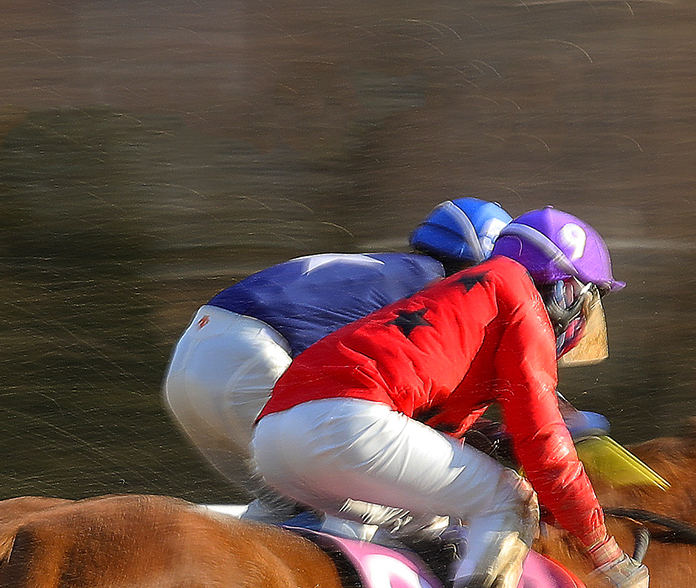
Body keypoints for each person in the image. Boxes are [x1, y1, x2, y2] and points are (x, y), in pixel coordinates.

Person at [250, 207, 648, 588]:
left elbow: (438, 427)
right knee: (510, 501)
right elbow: (545, 443)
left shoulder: (468, 295)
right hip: (345, 425)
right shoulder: (520, 297)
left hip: (275, 440)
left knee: (433, 524)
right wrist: (605, 553)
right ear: (566, 292)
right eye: (590, 303)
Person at [162, 199, 512, 523]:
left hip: (190, 360)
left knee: (283, 513)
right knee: (398, 511)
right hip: (253, 358)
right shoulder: (438, 290)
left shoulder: (389, 267)